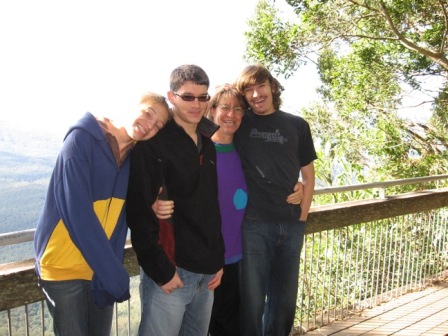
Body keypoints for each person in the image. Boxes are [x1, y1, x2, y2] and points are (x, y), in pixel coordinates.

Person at [152, 84, 305, 336]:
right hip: (205, 262)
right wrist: (154, 203)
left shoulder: (244, 152)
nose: (231, 115)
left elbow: (271, 173)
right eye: (224, 108)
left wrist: (296, 184)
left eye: (237, 109)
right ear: (211, 111)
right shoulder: (200, 150)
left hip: (238, 261)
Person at [33, 92, 171, 336]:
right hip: (63, 268)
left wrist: (151, 205)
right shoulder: (81, 141)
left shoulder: (132, 157)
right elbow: (77, 214)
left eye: (158, 125)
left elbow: (134, 203)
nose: (150, 125)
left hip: (99, 269)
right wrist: (114, 274)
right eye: (148, 113)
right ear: (132, 106)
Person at [126, 64, 225, 336]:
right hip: (172, 271)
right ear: (172, 97)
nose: (197, 104)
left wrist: (218, 260)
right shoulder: (153, 146)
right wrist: (161, 271)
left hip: (207, 274)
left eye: (203, 97)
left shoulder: (208, 142)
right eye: (188, 97)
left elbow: (209, 206)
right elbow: (137, 212)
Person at [234, 64, 317, 336]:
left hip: (291, 224)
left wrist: (302, 217)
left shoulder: (297, 125)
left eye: (260, 86)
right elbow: (214, 110)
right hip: (255, 225)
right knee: (252, 302)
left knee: (284, 303)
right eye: (248, 90)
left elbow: (308, 175)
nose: (256, 94)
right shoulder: (240, 123)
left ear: (272, 87)